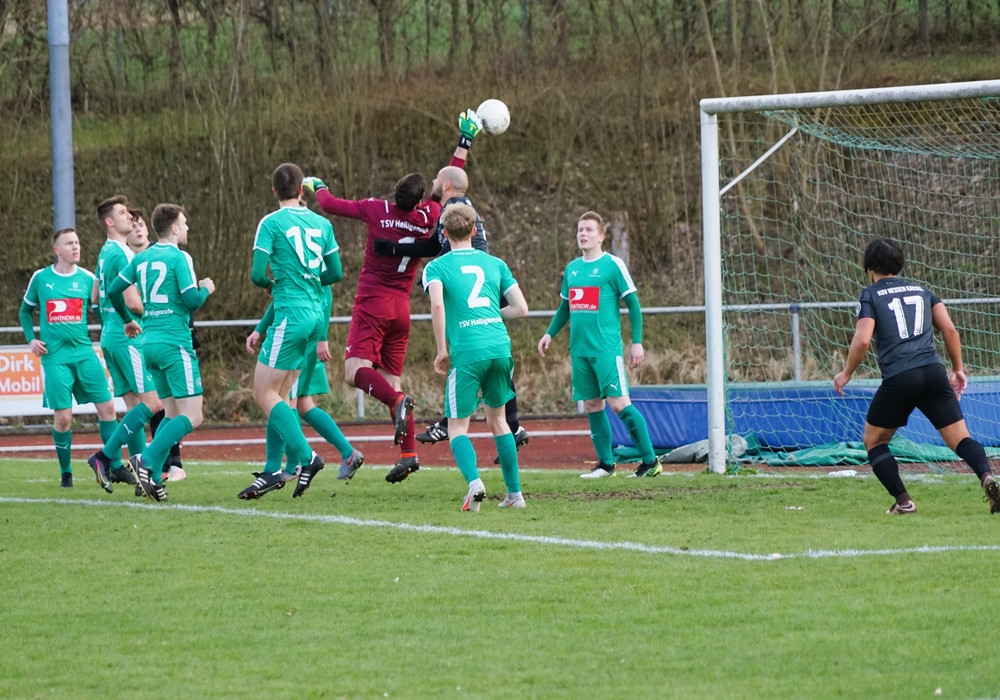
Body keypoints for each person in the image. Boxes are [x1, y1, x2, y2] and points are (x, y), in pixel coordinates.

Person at [373, 110, 529, 461]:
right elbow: (435, 242)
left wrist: (407, 256)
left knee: (466, 350)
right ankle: (512, 425)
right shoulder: (460, 205)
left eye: (436, 179)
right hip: (481, 279)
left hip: (469, 277)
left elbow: (439, 247)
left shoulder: (454, 207)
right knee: (490, 353)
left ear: (444, 187)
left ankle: (453, 423)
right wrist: (465, 141)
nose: (432, 181)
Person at [834, 237, 1000, 515]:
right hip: (933, 372)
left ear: (869, 267)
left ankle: (904, 502)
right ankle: (987, 476)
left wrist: (846, 372)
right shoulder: (923, 291)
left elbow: (862, 340)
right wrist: (958, 369)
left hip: (900, 376)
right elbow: (950, 330)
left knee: (874, 441)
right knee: (960, 439)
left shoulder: (870, 295)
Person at [302, 167, 441, 484]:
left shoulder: (377, 209)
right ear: (418, 201)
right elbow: (443, 189)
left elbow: (330, 204)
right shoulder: (427, 217)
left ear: (395, 192)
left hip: (373, 303)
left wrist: (316, 184)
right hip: (401, 308)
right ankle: (408, 453)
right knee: (391, 380)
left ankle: (396, 402)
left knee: (354, 372)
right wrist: (463, 147)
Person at [238, 163, 343, 500]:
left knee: (263, 394)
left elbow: (257, 275)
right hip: (314, 316)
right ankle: (276, 469)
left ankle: (306, 457)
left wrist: (273, 284)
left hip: (290, 315)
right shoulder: (322, 223)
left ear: (274, 190)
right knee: (282, 396)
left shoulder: (270, 223)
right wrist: (309, 280)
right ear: (301, 190)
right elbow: (336, 272)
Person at [100, 203, 215, 502]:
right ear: (174, 228)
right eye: (184, 223)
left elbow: (112, 290)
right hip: (174, 343)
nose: (187, 227)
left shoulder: (141, 258)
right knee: (194, 416)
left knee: (171, 413)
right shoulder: (179, 257)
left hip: (148, 343)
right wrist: (206, 288)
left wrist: (127, 319)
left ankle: (150, 474)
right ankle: (146, 461)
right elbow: (191, 300)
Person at [537, 211, 663, 479]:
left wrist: (637, 342)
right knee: (593, 405)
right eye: (579, 229)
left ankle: (651, 462)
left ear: (601, 236)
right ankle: (606, 465)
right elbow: (565, 307)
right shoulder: (572, 269)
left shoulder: (613, 265)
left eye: (588, 230)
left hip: (606, 350)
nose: (582, 234)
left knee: (619, 404)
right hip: (580, 351)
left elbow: (633, 304)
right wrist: (549, 334)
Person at [422, 203, 529, 510]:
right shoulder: (496, 263)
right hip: (499, 346)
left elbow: (438, 305)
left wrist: (442, 349)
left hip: (468, 350)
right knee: (499, 421)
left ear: (443, 233)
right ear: (473, 230)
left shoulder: (436, 267)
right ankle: (515, 495)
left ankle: (474, 483)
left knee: (457, 426)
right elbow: (521, 309)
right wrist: (490, 315)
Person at [19, 229, 121, 489]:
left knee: (108, 408)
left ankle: (115, 466)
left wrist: (115, 333)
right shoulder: (41, 278)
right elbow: (25, 311)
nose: (76, 247)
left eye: (77, 242)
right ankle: (66, 472)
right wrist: (31, 339)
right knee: (64, 418)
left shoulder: (88, 279)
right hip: (55, 358)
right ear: (57, 250)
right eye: (69, 243)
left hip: (85, 355)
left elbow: (103, 312)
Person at [247, 285, 364, 482]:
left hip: (302, 341)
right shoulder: (297, 274)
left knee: (284, 401)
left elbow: (326, 290)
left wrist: (322, 338)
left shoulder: (308, 268)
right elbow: (281, 300)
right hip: (303, 335)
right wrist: (260, 329)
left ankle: (292, 467)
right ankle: (347, 453)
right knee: (301, 404)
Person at [86, 197, 161, 493]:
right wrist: (151, 310)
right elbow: (132, 302)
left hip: (111, 336)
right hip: (128, 337)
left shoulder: (105, 252)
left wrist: (110, 317)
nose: (129, 216)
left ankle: (141, 479)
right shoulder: (122, 253)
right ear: (109, 222)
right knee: (153, 404)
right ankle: (104, 457)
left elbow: (94, 297)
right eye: (122, 212)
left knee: (134, 408)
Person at [125, 208, 188, 482]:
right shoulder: (125, 258)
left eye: (141, 225)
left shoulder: (159, 254)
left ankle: (167, 464)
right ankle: (146, 462)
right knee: (165, 407)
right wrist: (133, 317)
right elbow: (106, 296)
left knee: (164, 405)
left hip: (156, 337)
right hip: (145, 338)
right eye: (133, 225)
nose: (138, 229)